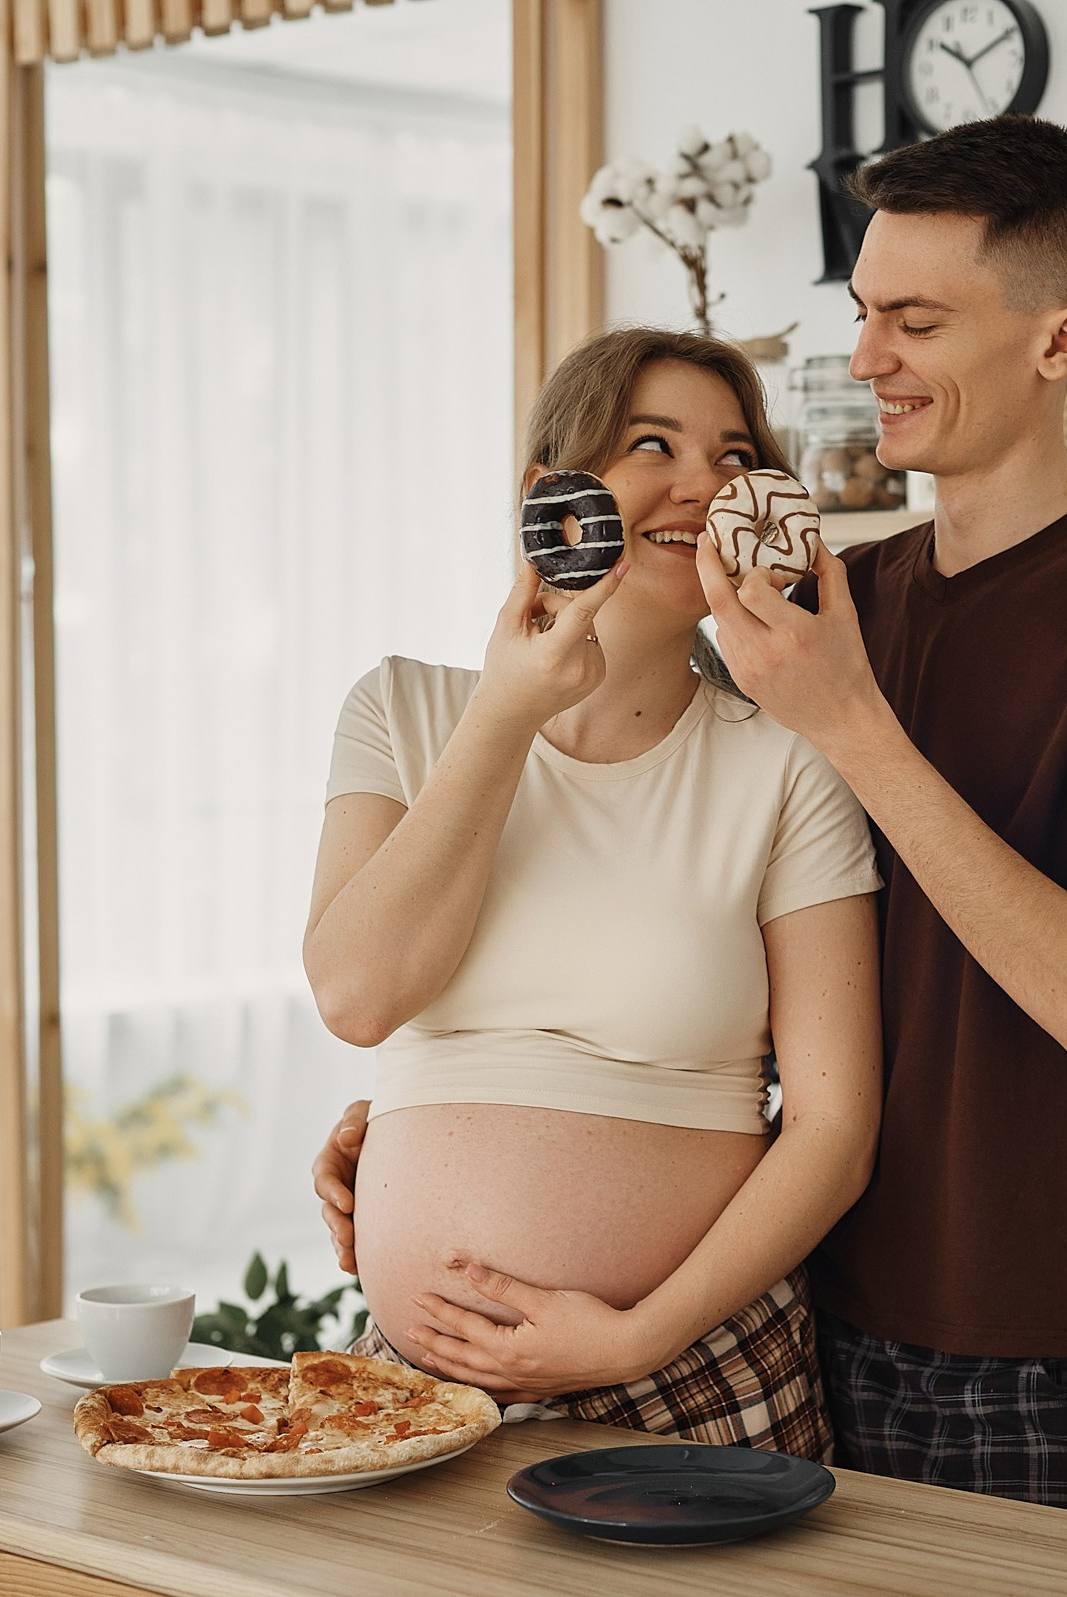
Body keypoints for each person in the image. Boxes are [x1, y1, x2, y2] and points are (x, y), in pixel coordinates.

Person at [317, 116, 1067, 1515]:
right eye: (863, 315)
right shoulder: (844, 603)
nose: (868, 358)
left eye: (915, 320)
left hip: (1006, 1314)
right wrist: (417, 1123)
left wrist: (850, 720)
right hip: (794, 1291)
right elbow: (647, 876)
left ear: (1060, 344)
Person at [301, 327, 884, 1460]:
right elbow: (360, 997)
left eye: (732, 456)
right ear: (550, 494)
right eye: (649, 443)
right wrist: (508, 713)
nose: (697, 484)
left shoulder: (789, 762)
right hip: (421, 1391)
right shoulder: (404, 710)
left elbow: (834, 1126)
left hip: (694, 1373)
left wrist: (631, 1336)